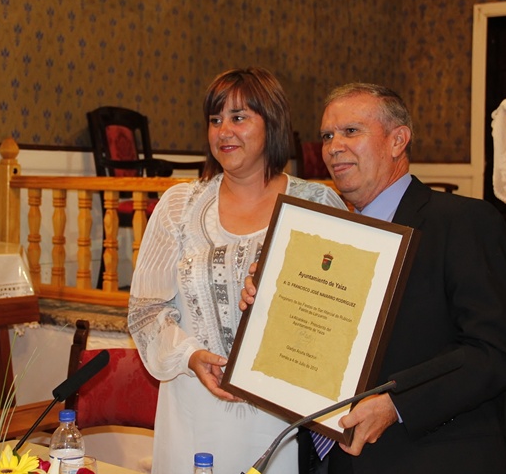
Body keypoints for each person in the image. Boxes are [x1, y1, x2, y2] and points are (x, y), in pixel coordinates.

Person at [242, 83, 506, 473]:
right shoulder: (325, 238)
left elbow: (496, 354)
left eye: (351, 131)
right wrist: (269, 305)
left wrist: (397, 404)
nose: (333, 146)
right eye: (327, 136)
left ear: (398, 141)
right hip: (334, 461)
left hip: (431, 457)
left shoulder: (463, 222)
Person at [127, 67, 348, 474]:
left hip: (279, 418)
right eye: (215, 120)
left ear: (273, 124)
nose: (224, 131)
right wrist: (190, 355)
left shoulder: (316, 204)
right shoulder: (179, 205)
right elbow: (144, 312)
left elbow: (341, 317)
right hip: (191, 408)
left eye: (239, 117)